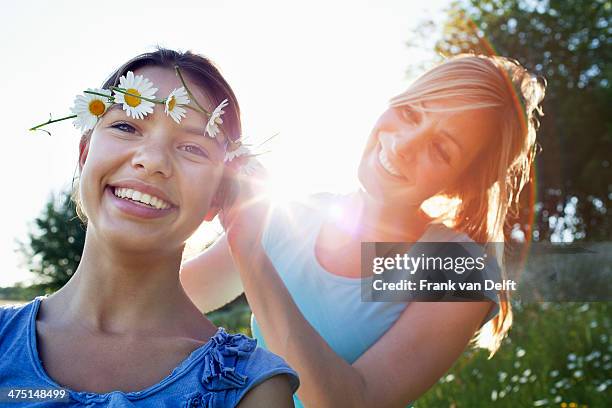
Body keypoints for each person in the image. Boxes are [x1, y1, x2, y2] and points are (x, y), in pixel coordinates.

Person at [181, 53, 546, 407]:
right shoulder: (288, 215)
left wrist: (250, 255)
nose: (403, 145)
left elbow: (351, 401)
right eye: (409, 113)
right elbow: (165, 295)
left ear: (462, 182)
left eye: (440, 149)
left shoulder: (458, 267)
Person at [0, 48, 299, 407]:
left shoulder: (250, 387)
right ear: (84, 154)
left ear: (219, 195)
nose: (152, 161)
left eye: (192, 147)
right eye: (126, 126)